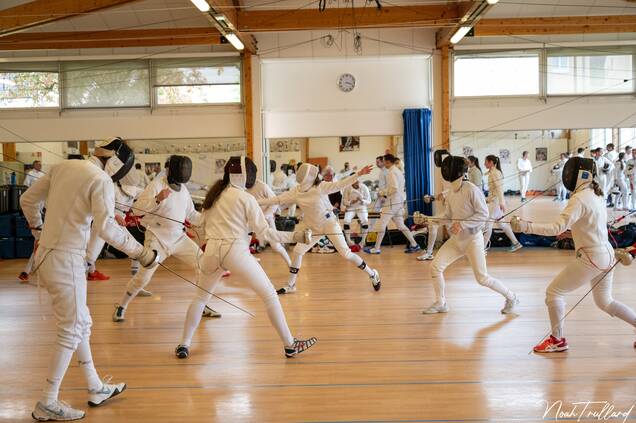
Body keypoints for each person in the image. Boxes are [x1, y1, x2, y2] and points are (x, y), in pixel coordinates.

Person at [20, 137, 157, 421]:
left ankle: (95, 386)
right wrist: (141, 253)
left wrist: (38, 231)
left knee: (81, 323)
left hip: (49, 257)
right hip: (66, 260)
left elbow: (27, 200)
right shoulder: (100, 179)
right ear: (117, 163)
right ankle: (47, 402)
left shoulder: (62, 167)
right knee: (71, 329)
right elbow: (106, 228)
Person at [175, 156, 317, 359]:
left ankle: (184, 344)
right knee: (269, 295)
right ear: (243, 175)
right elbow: (266, 233)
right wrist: (296, 236)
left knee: (200, 298)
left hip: (211, 252)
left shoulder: (214, 195)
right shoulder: (245, 198)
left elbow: (199, 222)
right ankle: (290, 345)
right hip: (235, 252)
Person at [511, 157, 636, 353]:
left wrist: (525, 226)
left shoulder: (579, 198)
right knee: (605, 302)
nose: (567, 175)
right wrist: (571, 233)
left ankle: (557, 340)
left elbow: (556, 227)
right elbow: (591, 225)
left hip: (592, 257)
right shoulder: (596, 194)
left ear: (580, 175)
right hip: (606, 253)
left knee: (554, 292)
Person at [112, 155, 220, 322]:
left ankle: (202, 305)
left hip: (179, 239)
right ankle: (122, 305)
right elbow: (137, 210)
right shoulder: (156, 185)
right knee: (143, 277)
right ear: (170, 170)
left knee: (203, 264)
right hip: (157, 239)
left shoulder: (183, 190)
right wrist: (157, 199)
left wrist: (208, 217)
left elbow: (192, 214)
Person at [258, 163, 381, 295]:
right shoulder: (296, 191)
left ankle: (372, 274)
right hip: (313, 228)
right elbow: (277, 199)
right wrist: (256, 202)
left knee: (345, 254)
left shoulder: (321, 187)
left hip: (329, 224)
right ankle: (291, 285)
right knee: (298, 251)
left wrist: (359, 174)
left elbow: (340, 184)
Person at [424, 152, 518, 315]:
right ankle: (441, 303)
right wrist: (429, 219)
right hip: (456, 241)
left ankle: (511, 297)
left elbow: (483, 215)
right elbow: (448, 217)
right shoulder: (451, 192)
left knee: (482, 278)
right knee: (435, 267)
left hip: (472, 240)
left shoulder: (471, 189)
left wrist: (462, 224)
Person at [364, 154, 420, 255]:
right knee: (400, 225)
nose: (383, 163)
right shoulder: (398, 171)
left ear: (388, 162)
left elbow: (394, 188)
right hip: (398, 202)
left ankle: (376, 248)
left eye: (384, 161)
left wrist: (382, 192)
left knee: (382, 224)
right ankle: (414, 244)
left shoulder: (391, 172)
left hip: (392, 202)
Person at [248, 178, 292, 267]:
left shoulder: (262, 186)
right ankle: (250, 258)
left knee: (275, 246)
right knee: (243, 242)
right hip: (252, 220)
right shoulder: (243, 188)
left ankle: (291, 265)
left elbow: (275, 202)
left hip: (267, 220)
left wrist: (265, 216)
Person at [482, 155, 523, 252]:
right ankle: (516, 243)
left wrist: (502, 202)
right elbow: (493, 189)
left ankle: (482, 248)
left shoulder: (495, 173)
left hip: (496, 203)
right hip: (494, 201)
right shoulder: (493, 172)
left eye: (486, 162)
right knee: (502, 224)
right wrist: (487, 199)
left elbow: (499, 189)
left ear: (491, 162)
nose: (484, 164)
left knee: (488, 225)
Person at [342, 180, 371, 249]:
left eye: (357, 181)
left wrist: (362, 201)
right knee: (346, 220)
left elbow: (369, 201)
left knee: (365, 220)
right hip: (351, 208)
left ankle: (362, 241)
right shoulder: (347, 188)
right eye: (354, 181)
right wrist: (351, 202)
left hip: (361, 207)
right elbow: (344, 201)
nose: (356, 183)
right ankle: (348, 241)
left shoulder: (364, 187)